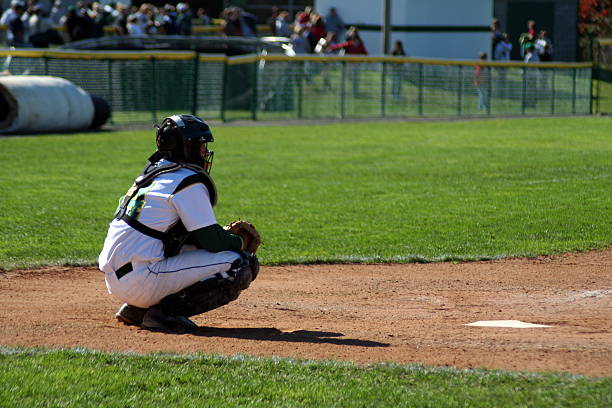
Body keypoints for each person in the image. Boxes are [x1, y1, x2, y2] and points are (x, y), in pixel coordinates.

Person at [99, 114, 261, 332]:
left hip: (119, 277)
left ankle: (138, 310)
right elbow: (212, 241)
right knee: (241, 263)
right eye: (200, 145)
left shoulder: (155, 175)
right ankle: (163, 314)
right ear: (187, 147)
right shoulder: (185, 180)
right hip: (142, 279)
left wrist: (220, 238)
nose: (204, 151)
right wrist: (238, 243)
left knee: (195, 248)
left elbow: (185, 237)